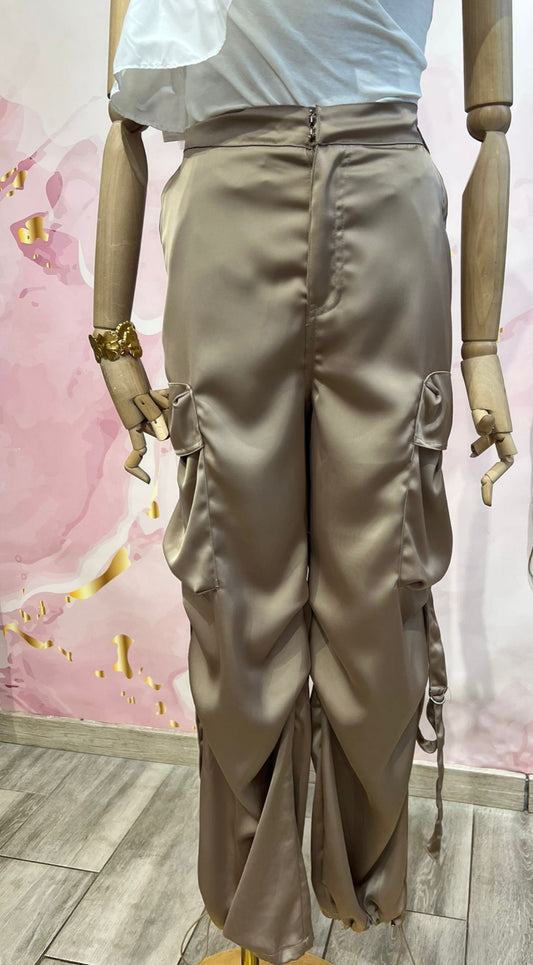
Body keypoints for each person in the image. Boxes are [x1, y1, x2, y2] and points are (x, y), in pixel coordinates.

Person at [89, 2, 516, 963]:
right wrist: (110, 332)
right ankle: (259, 918)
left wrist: (480, 345)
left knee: (379, 583)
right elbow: (123, 109)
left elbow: (493, 121)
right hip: (225, 199)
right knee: (234, 595)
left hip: (386, 195)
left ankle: (350, 890)